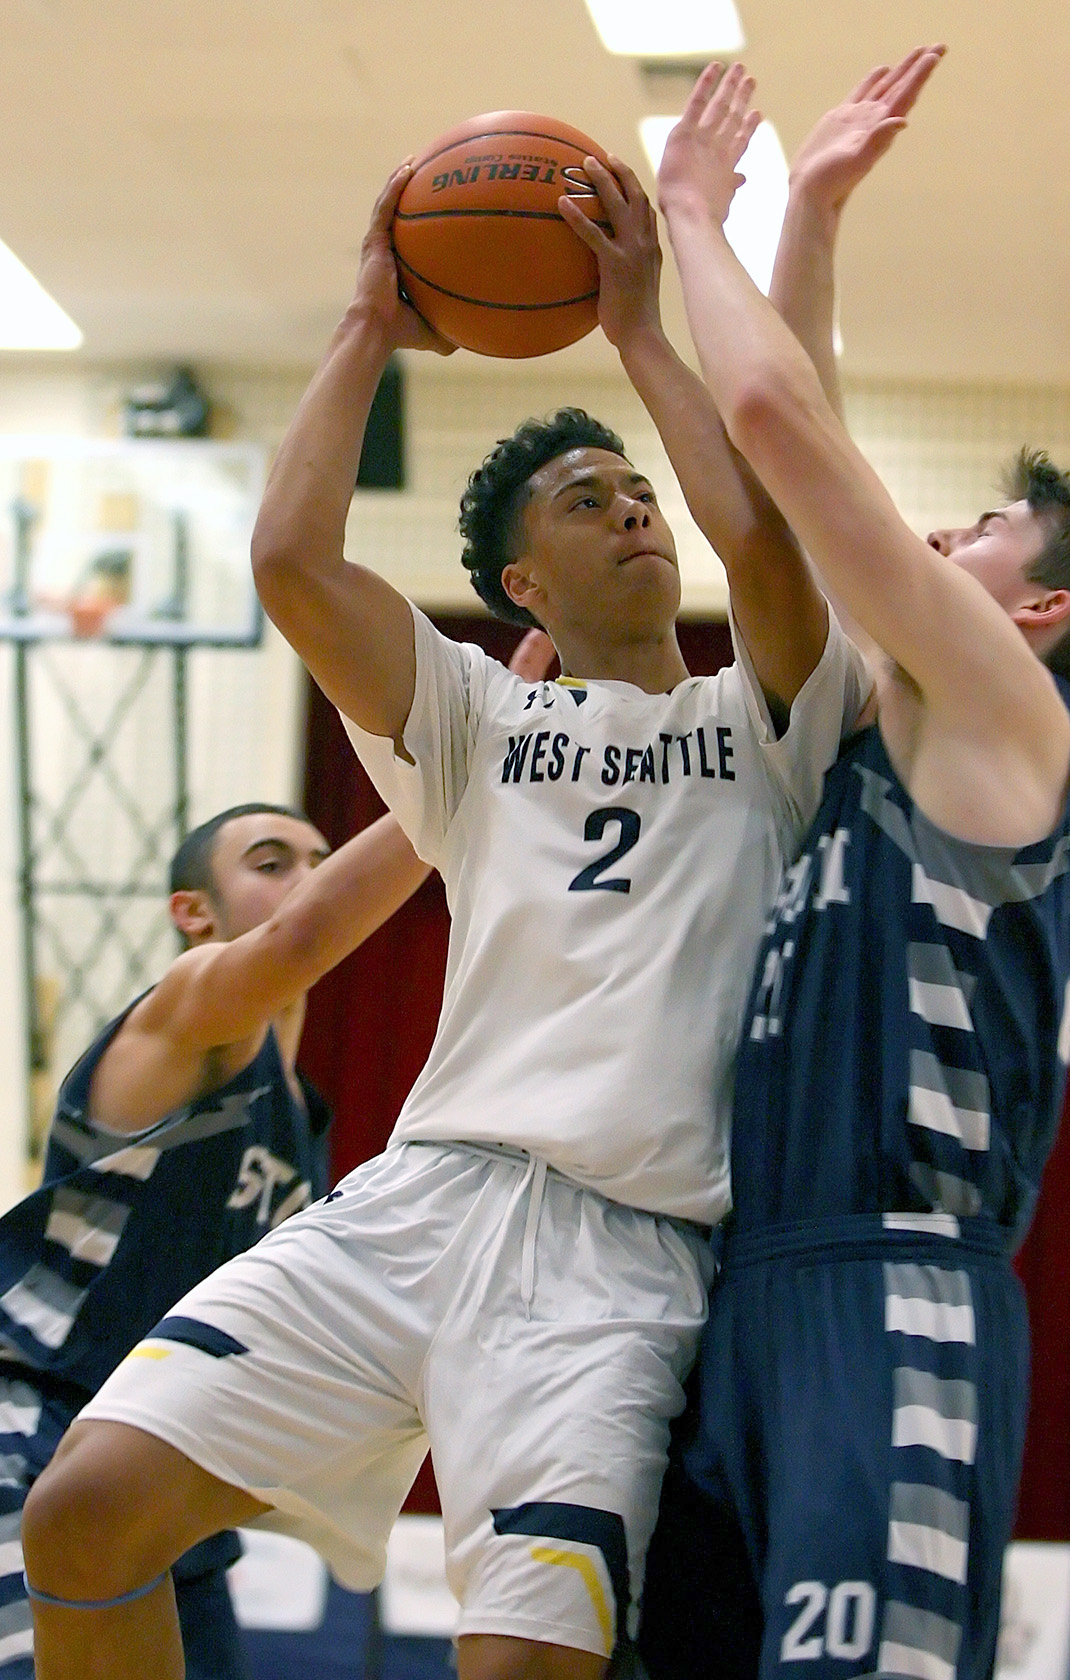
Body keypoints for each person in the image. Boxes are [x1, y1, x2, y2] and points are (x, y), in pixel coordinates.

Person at [20, 151, 871, 1680]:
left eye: (636, 493)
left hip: (624, 1258)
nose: (631, 513)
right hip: (424, 1203)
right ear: (514, 582)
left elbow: (766, 540)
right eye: (583, 501)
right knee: (80, 1518)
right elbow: (289, 561)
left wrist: (637, 328)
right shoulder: (476, 722)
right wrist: (364, 323)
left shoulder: (776, 720)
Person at [638, 51, 1070, 1680]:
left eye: (984, 531)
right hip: (748, 1288)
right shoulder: (880, 739)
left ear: (1036, 616)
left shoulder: (1006, 723)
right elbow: (803, 456)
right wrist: (804, 215)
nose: (939, 535)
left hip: (897, 1299)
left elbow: (765, 419)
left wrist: (692, 207)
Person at [0, 798, 434, 1680]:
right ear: (192, 912)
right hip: (33, 1438)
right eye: (272, 863)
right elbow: (296, 945)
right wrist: (463, 772)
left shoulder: (299, 1119)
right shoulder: (186, 1005)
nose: (309, 879)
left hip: (159, 1481)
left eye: (320, 858)